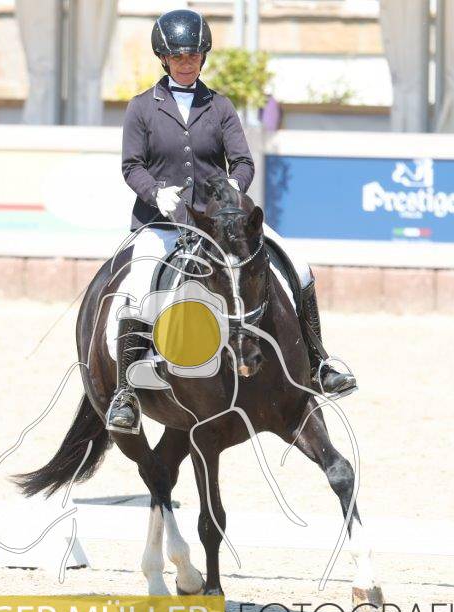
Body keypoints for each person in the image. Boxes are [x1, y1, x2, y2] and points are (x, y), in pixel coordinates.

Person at [106, 7, 357, 434]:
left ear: (202, 57)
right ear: (164, 58)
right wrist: (155, 193)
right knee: (137, 286)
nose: (186, 63)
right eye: (178, 57)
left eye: (193, 56)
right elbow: (131, 166)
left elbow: (242, 161)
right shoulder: (142, 107)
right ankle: (125, 393)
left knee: (297, 265)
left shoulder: (219, 106)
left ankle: (319, 362)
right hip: (162, 222)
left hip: (220, 221)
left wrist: (232, 188)